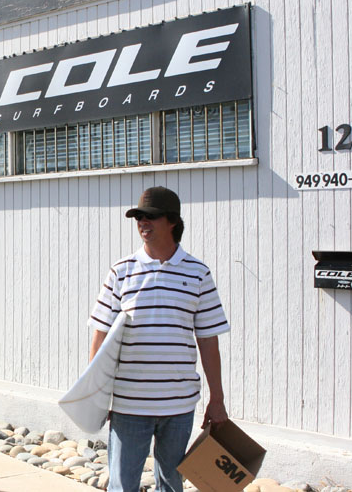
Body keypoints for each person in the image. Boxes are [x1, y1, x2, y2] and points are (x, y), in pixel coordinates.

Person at [89, 186, 230, 492]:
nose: (143, 222)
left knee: (171, 485)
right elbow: (100, 334)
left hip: (179, 406)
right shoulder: (121, 272)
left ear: (173, 222)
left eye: (150, 216)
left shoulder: (198, 274)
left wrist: (217, 400)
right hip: (129, 403)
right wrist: (95, 396)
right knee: (122, 486)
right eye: (139, 217)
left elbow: (208, 341)